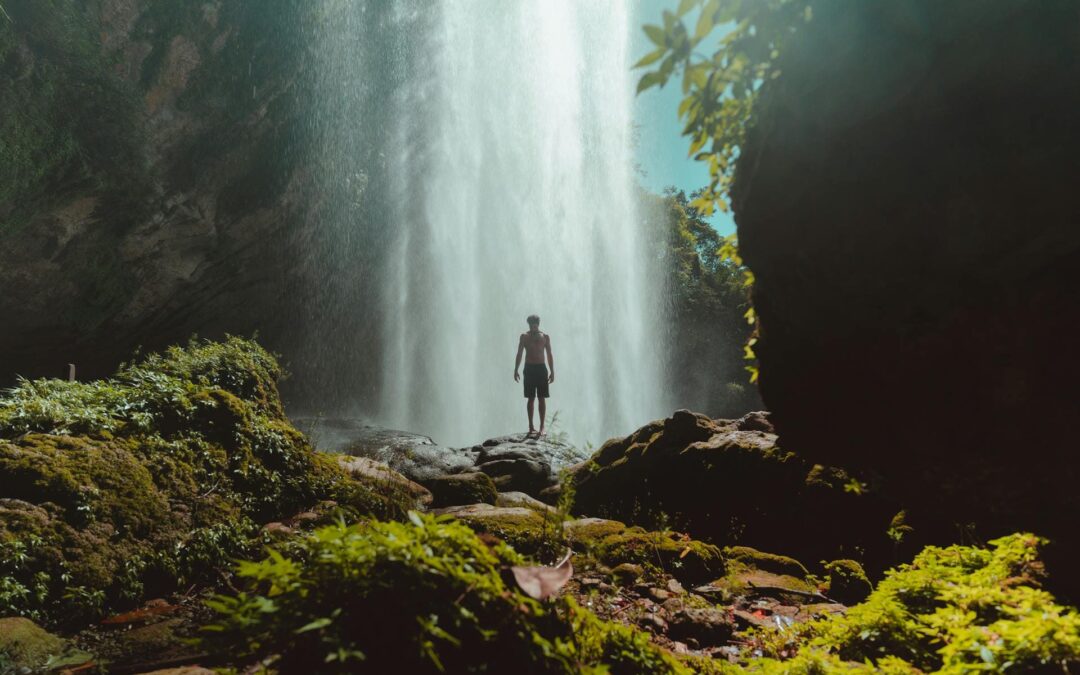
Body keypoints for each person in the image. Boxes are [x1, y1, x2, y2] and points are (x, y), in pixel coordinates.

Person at [513, 314, 554, 438]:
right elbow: (519, 353)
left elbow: (549, 355)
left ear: (538, 324)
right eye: (531, 325)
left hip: (541, 369)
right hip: (529, 369)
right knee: (530, 398)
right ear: (528, 325)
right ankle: (531, 426)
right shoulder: (524, 337)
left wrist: (552, 371)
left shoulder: (545, 337)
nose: (533, 327)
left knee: (542, 398)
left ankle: (542, 427)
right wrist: (516, 369)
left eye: (535, 325)